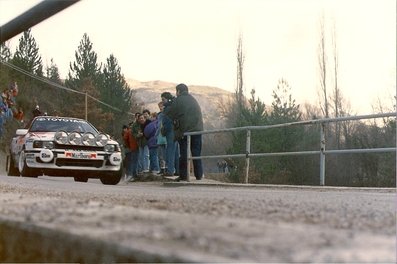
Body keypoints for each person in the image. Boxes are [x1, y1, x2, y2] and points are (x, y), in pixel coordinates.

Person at [163, 83, 203, 181]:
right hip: (198, 130)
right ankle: (199, 175)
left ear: (178, 91)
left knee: (184, 154)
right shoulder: (193, 99)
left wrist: (168, 105)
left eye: (176, 92)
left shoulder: (178, 100)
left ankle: (184, 175)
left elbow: (169, 113)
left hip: (185, 131)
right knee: (196, 153)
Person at [160, 92, 178, 176]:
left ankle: (170, 170)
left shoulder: (168, 108)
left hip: (170, 131)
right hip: (173, 131)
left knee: (170, 151)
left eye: (163, 99)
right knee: (174, 151)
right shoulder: (173, 106)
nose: (162, 101)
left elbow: (167, 122)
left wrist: (163, 130)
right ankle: (175, 170)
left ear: (167, 99)